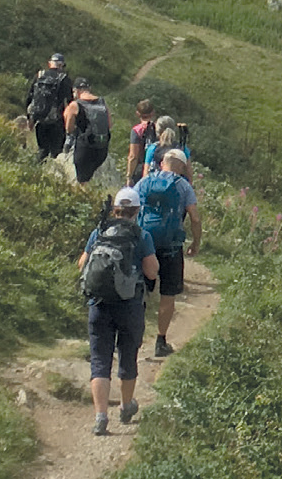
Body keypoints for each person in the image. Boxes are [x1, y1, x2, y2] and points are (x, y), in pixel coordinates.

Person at [77, 188, 159, 435]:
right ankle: (125, 406)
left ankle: (101, 417)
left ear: (115, 210)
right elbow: (152, 271)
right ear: (137, 211)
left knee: (100, 360)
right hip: (129, 305)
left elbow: (82, 264)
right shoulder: (141, 236)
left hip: (99, 304)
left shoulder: (99, 232)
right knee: (127, 356)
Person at [135, 145, 202, 357]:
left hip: (145, 244)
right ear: (182, 167)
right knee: (168, 294)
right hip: (171, 246)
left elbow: (131, 205)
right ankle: (160, 341)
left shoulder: (146, 181)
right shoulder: (183, 186)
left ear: (162, 162)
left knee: (140, 291)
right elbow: (195, 218)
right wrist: (196, 242)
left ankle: (134, 336)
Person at [62, 78, 113, 184]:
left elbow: (69, 128)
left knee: (82, 181)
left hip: (85, 148)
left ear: (76, 90)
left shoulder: (76, 105)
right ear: (89, 89)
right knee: (92, 180)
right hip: (102, 149)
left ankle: (82, 199)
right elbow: (109, 125)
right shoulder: (102, 102)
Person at [26, 52, 71, 160]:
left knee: (42, 151)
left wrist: (30, 119)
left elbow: (29, 98)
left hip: (40, 120)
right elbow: (70, 102)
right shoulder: (64, 79)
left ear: (49, 63)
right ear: (61, 65)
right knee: (57, 152)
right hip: (57, 121)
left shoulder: (39, 76)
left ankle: (36, 173)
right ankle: (55, 175)